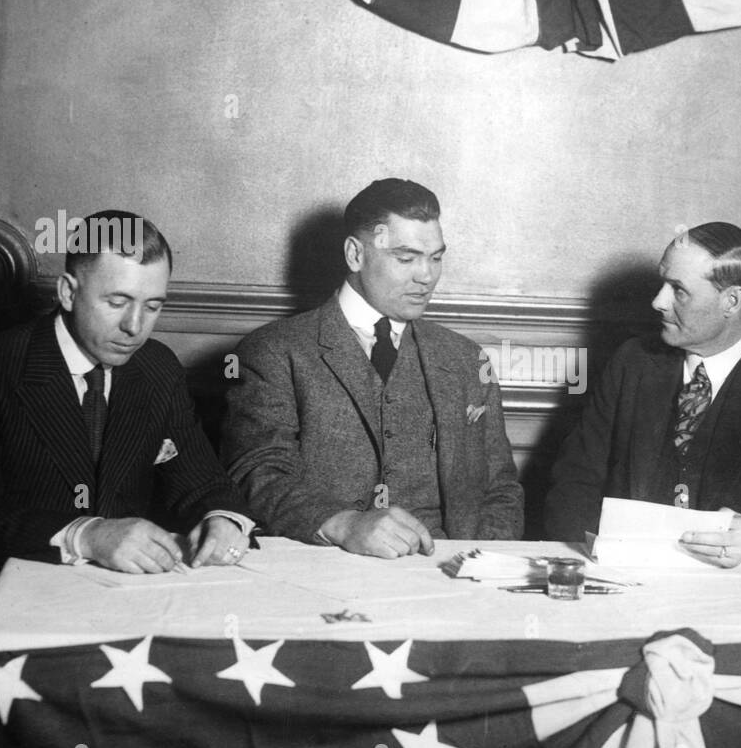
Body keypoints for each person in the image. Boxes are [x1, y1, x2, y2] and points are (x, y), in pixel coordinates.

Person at [221, 178, 523, 558]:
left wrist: (481, 565)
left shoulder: (466, 360)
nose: (426, 276)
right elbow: (259, 473)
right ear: (355, 254)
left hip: (452, 576)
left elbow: (501, 489)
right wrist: (343, 524)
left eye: (436, 257)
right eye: (406, 257)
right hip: (324, 571)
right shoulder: (274, 351)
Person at [0, 211, 254, 577]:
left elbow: (203, 481)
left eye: (153, 306)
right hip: (23, 591)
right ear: (68, 292)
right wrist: (87, 535)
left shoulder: (158, 368)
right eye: (117, 302)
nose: (135, 327)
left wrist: (223, 519)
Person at [545, 222, 741, 566]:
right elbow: (573, 483)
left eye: (678, 290)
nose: (658, 301)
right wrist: (592, 562)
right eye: (663, 282)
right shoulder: (631, 362)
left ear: (731, 301)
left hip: (739, 590)